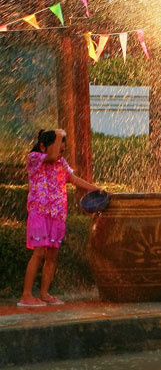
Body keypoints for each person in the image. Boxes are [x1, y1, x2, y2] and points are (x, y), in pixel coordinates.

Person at [19, 129, 100, 307]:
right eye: (57, 146)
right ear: (42, 146)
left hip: (57, 216)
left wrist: (95, 189)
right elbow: (52, 156)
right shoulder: (34, 158)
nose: (60, 152)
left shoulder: (61, 163)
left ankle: (44, 293)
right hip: (39, 213)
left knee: (52, 256)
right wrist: (59, 133)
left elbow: (74, 179)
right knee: (39, 253)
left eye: (62, 148)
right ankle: (26, 296)